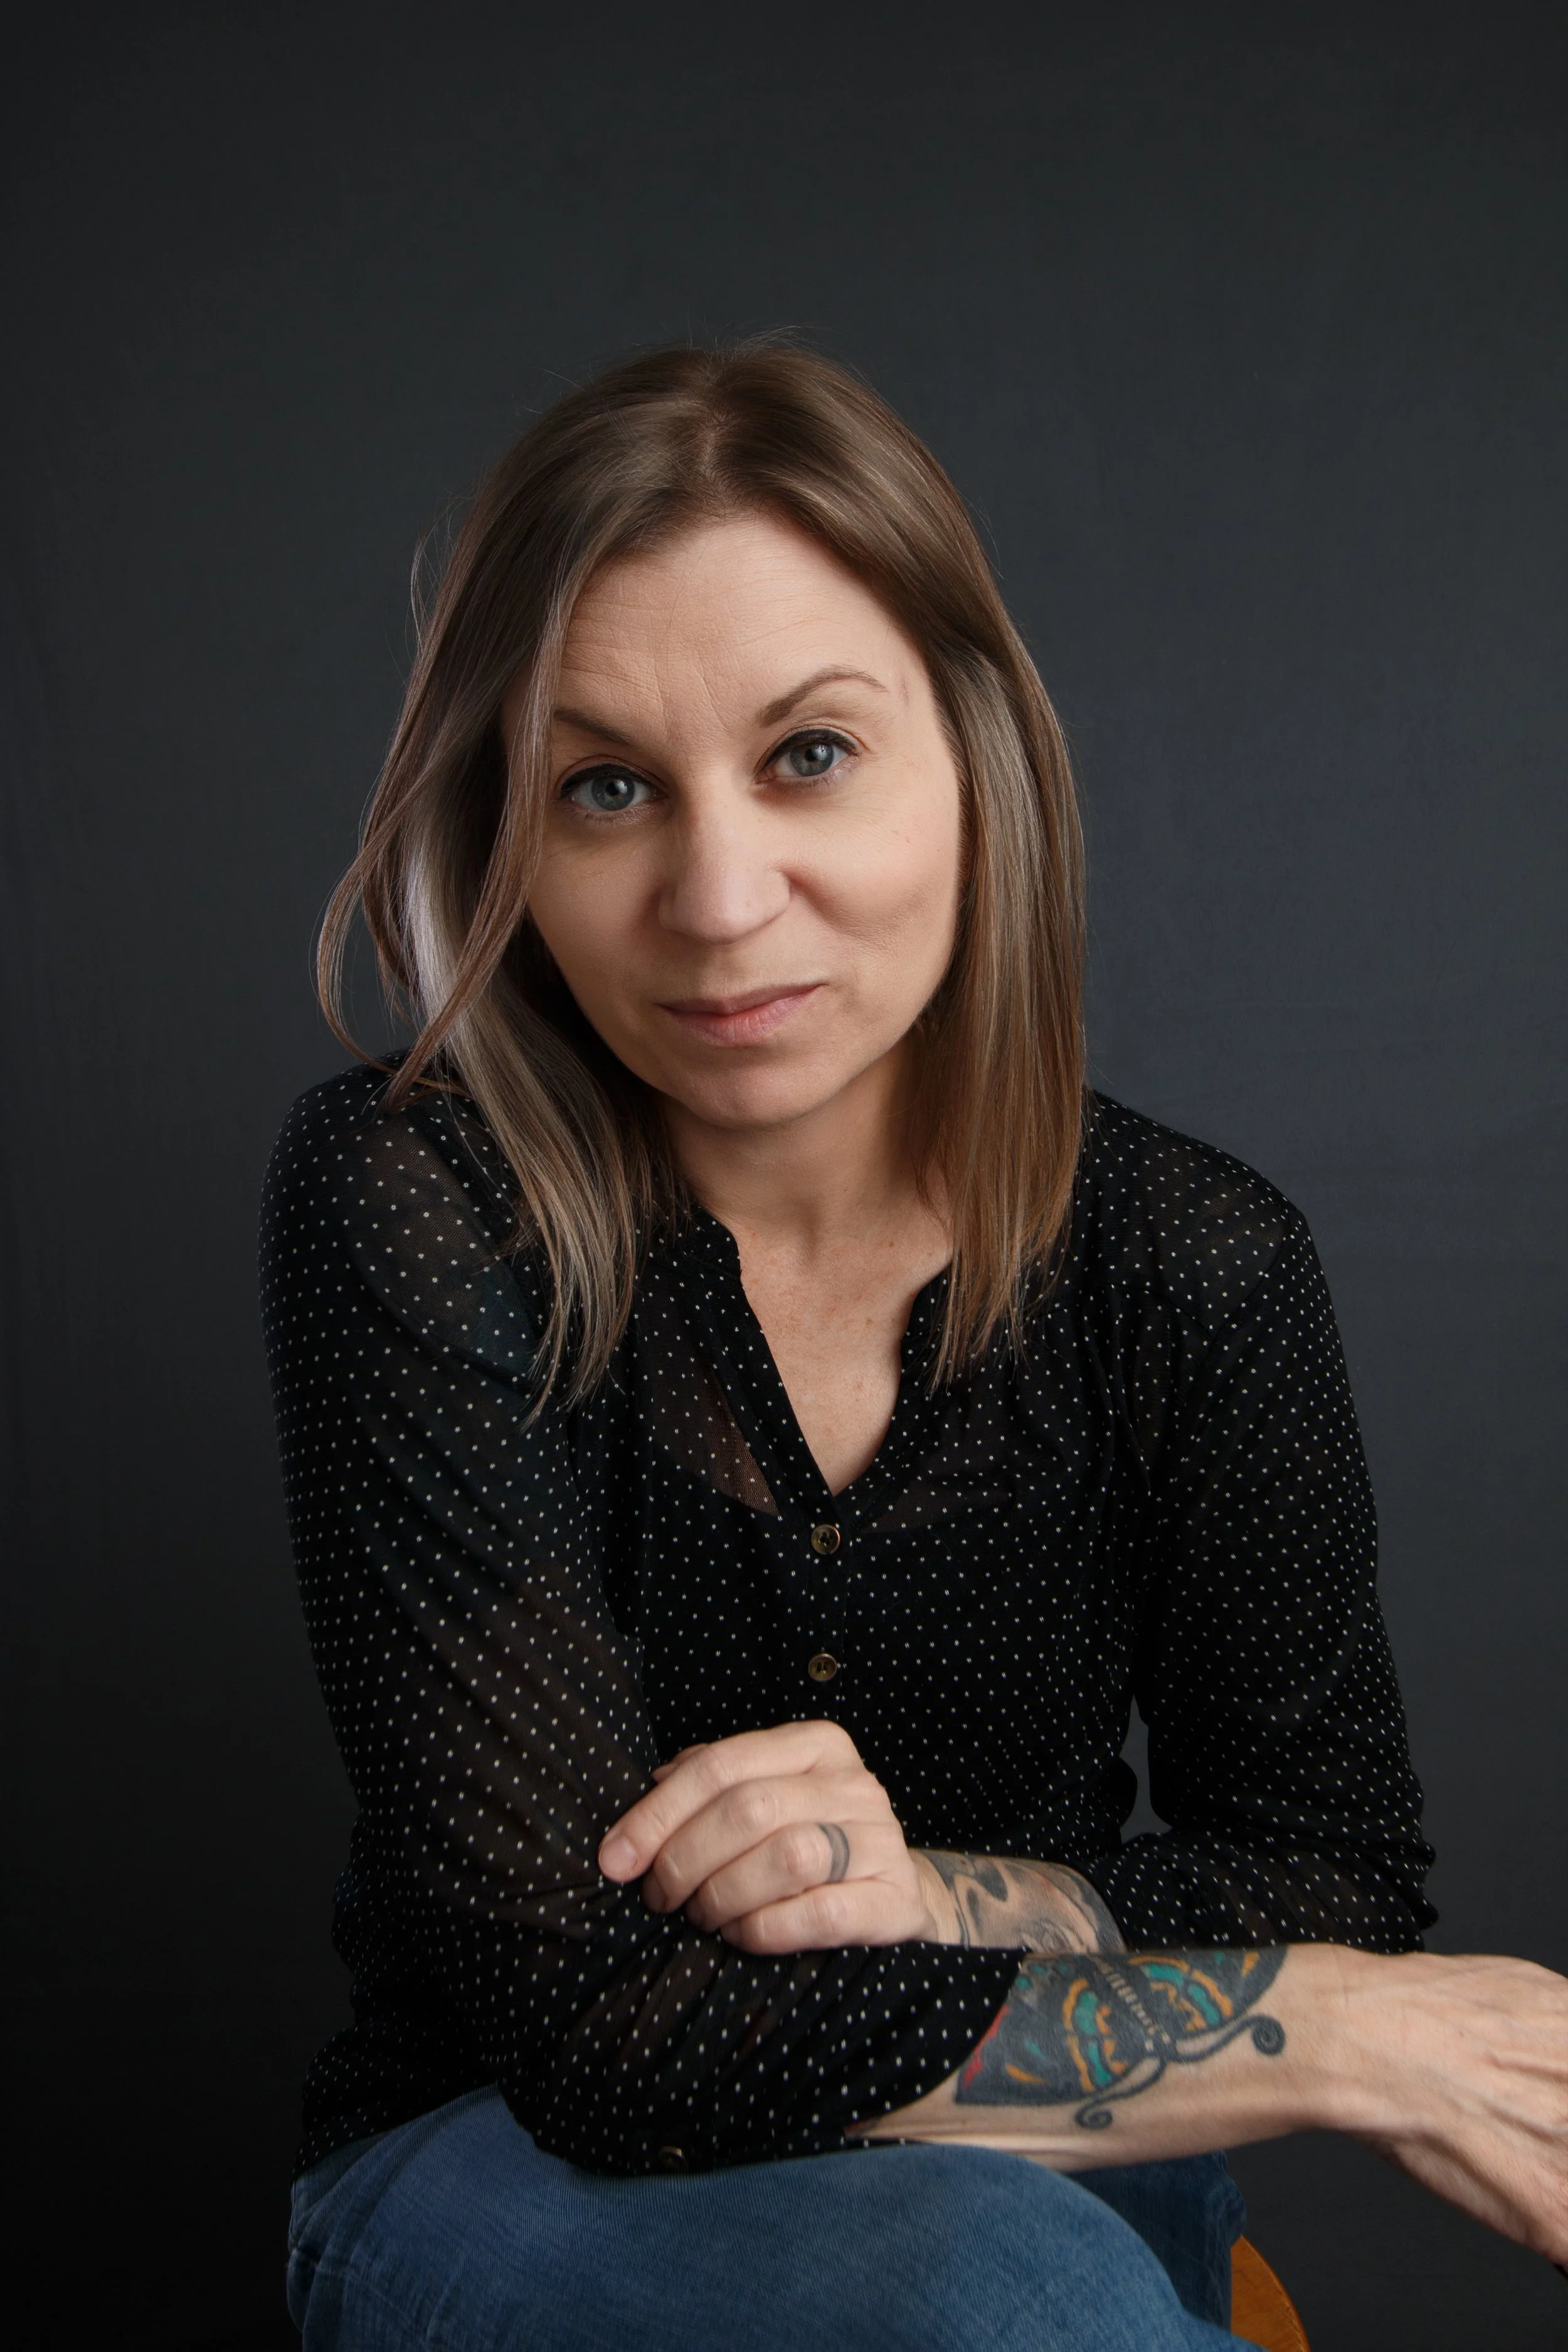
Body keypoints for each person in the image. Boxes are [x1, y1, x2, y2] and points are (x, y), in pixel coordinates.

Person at [262, 342, 1568, 2352]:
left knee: (1034, 2266)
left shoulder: (1194, 1261)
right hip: (502, 2161)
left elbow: (1327, 1867)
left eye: (807, 754)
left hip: (1052, 2156)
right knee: (1006, 2285)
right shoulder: (415, 1196)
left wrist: (941, 1891)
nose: (718, 899)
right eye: (604, 786)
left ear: (977, 755)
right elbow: (598, 2029)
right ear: (504, 828)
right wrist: (1322, 2025)